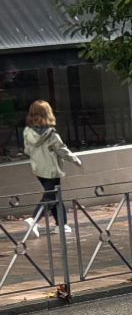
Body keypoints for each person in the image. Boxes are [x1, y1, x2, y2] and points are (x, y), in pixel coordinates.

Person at [22, 99, 82, 239]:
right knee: (51, 196)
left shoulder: (27, 132)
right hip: (52, 169)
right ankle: (34, 220)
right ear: (48, 114)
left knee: (54, 195)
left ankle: (62, 225)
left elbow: (27, 150)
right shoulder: (51, 134)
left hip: (38, 169)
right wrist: (74, 159)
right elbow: (62, 150)